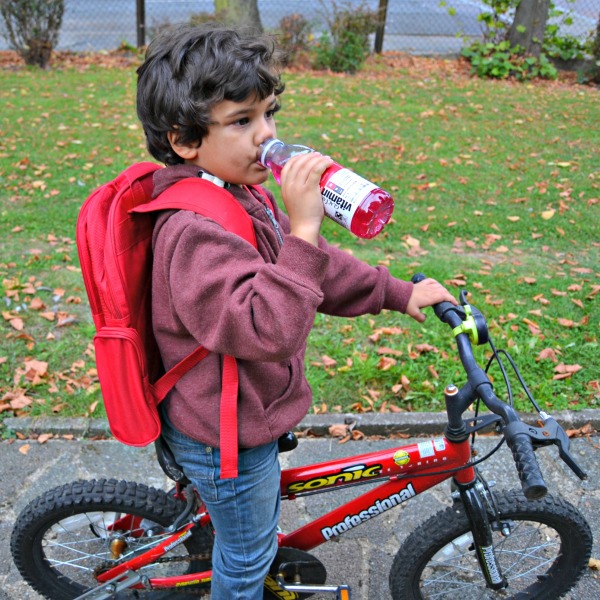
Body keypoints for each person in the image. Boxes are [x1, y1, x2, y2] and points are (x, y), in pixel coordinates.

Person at [136, 23, 457, 599]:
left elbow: (315, 269)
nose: (267, 136)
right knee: (248, 555)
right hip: (223, 437)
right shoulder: (192, 233)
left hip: (240, 406)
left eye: (269, 114)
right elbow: (267, 329)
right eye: (242, 122)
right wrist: (304, 229)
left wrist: (395, 292)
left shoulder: (240, 192)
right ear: (184, 139)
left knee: (243, 529)